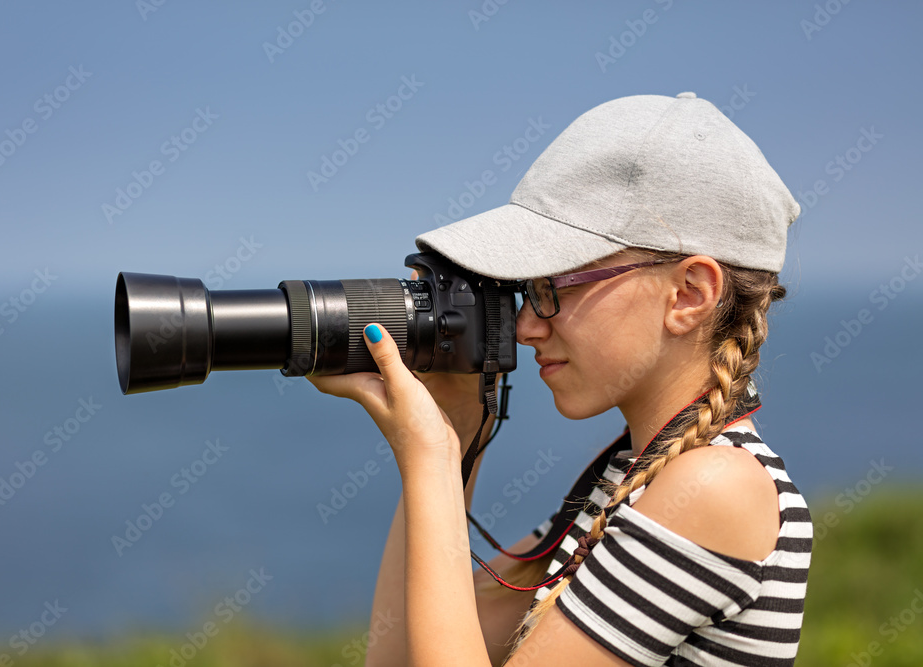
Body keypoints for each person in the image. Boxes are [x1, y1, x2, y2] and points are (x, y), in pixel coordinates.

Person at [308, 91, 812, 666]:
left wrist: (429, 456)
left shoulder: (715, 487)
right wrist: (457, 431)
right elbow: (401, 655)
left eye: (553, 289)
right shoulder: (628, 479)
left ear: (689, 294)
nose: (525, 327)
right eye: (528, 292)